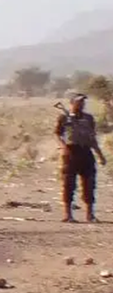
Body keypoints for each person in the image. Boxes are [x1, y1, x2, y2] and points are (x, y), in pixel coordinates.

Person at [55, 93, 107, 222]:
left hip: (86, 152)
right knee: (69, 184)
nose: (81, 105)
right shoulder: (64, 117)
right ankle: (68, 215)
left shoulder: (88, 118)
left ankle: (90, 215)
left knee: (89, 184)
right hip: (71, 153)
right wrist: (63, 147)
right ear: (72, 103)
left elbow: (92, 138)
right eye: (79, 102)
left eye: (83, 102)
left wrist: (100, 155)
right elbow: (57, 134)